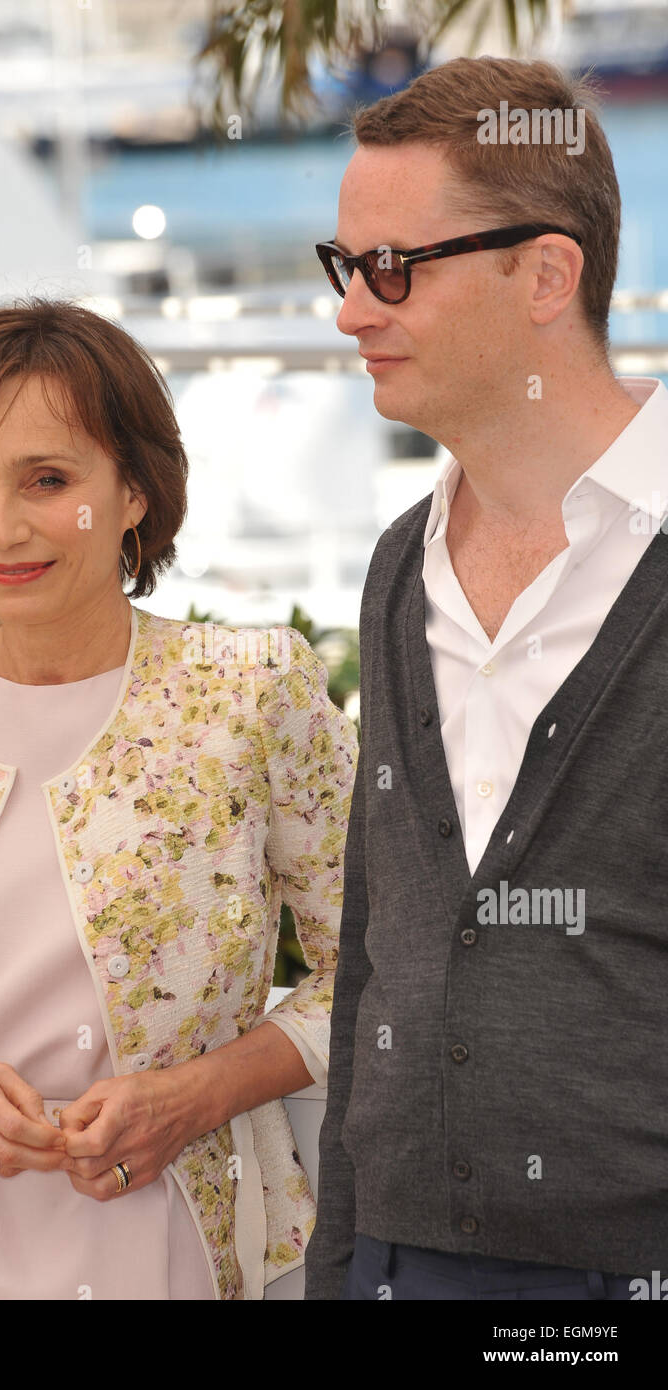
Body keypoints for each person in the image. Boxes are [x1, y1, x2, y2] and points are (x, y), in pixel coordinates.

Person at [0, 298, 359, 1301]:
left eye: (48, 480)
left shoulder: (248, 694)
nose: (1, 528)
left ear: (136, 490)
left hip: (163, 1236)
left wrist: (195, 1097)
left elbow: (382, 964)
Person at [304, 56, 668, 1301]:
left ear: (546, 276)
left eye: (392, 268)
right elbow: (373, 953)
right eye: (343, 267)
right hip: (402, 1267)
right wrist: (341, 1261)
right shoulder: (402, 565)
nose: (353, 311)